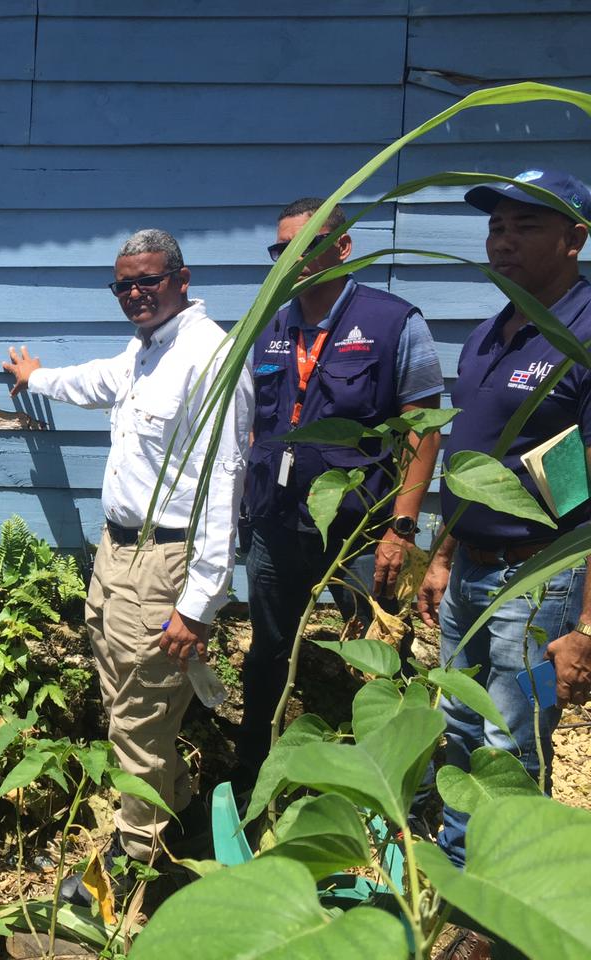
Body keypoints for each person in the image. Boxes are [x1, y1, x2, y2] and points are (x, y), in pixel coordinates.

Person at [2, 228, 253, 878]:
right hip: (118, 555)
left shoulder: (209, 358)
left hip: (166, 561)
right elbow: (97, 382)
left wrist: (198, 605)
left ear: (182, 278)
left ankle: (133, 869)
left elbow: (225, 485)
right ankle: (180, 815)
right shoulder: (147, 349)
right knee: (123, 701)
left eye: (149, 280)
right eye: (124, 284)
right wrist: (36, 378)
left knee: (139, 720)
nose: (135, 294)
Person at [416, 169, 591, 878]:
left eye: (525, 227)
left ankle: (510, 901)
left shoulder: (582, 332)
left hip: (544, 580)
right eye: (496, 227)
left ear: (574, 239)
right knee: (459, 727)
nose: (503, 242)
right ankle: (465, 890)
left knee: (513, 743)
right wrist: (440, 556)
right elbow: (475, 457)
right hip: (469, 572)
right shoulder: (490, 333)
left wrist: (586, 625)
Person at [236, 198, 444, 784]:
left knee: (380, 657)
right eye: (281, 250)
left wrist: (401, 528)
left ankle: (394, 783)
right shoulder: (272, 325)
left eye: (305, 246)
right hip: (278, 522)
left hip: (361, 530)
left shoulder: (393, 322)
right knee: (268, 651)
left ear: (343, 246)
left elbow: (423, 432)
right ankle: (256, 771)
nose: (291, 260)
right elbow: (260, 426)